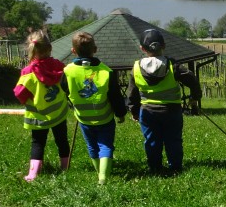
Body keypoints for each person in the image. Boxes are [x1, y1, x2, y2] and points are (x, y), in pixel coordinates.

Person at [126, 28, 201, 174]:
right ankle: (175, 167)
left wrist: (134, 111)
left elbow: (132, 94)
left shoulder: (136, 68)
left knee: (151, 140)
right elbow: (192, 79)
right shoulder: (173, 66)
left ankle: (155, 167)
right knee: (173, 140)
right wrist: (194, 98)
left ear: (142, 48)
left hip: (148, 112)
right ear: (164, 46)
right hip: (171, 111)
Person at [63, 32, 127, 184]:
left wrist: (72, 103)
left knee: (92, 146)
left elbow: (64, 89)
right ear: (95, 49)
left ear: (73, 51)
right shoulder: (106, 72)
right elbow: (116, 97)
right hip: (104, 117)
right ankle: (103, 177)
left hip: (83, 118)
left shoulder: (68, 71)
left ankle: (99, 172)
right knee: (105, 145)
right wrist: (121, 113)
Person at [13, 30, 70, 182]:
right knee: (62, 140)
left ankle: (33, 174)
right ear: (50, 48)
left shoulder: (28, 72)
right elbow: (66, 84)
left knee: (38, 143)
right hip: (58, 112)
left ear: (30, 49)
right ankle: (66, 167)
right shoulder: (59, 66)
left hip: (38, 115)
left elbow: (19, 93)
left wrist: (28, 98)